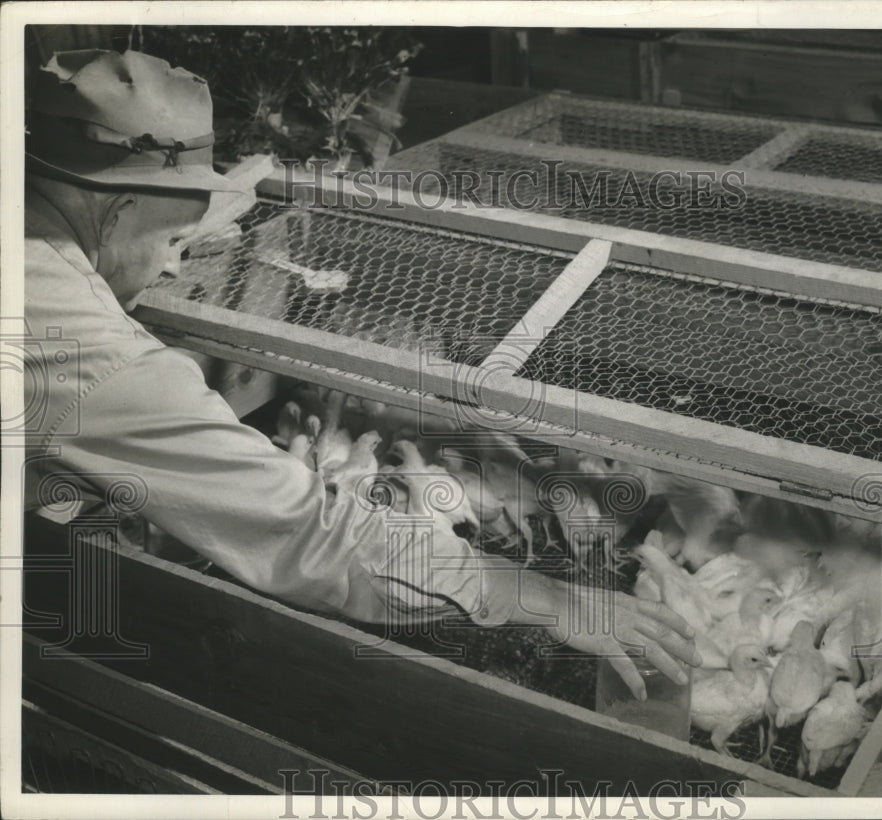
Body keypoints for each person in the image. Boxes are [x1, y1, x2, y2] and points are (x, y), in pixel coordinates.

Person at [22, 48, 700, 698]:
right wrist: (546, 598)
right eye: (173, 241)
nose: (175, 268)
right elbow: (311, 534)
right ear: (115, 208)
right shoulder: (94, 354)